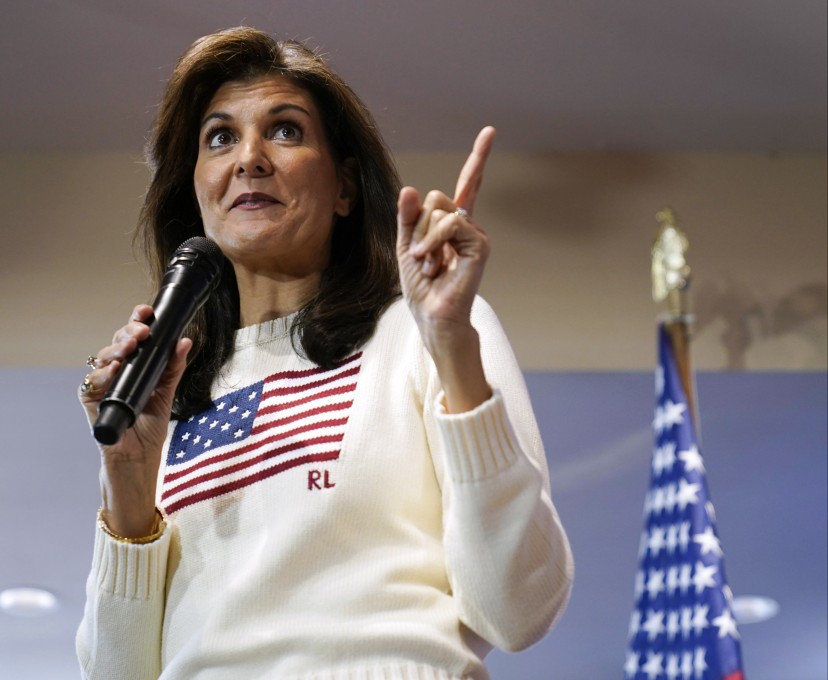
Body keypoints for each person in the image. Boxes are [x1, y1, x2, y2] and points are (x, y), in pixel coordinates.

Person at [76, 26, 573, 680]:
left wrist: (451, 342)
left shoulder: (423, 333)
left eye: (285, 131)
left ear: (344, 188)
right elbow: (118, 674)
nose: (249, 157)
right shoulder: (162, 396)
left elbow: (518, 608)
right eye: (219, 137)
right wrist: (129, 479)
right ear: (195, 193)